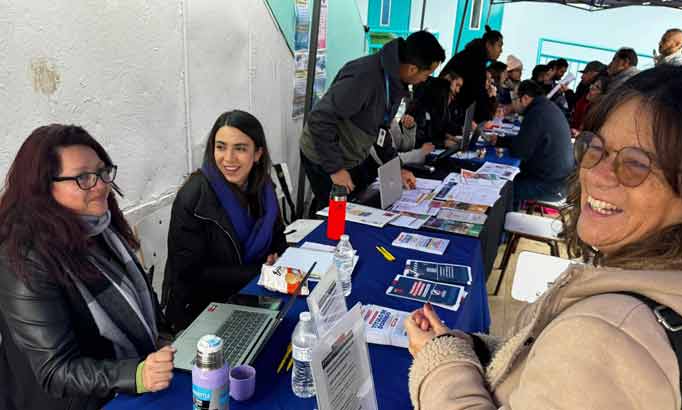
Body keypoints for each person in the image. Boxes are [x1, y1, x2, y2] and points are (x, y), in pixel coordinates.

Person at [405, 64, 682, 409]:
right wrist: (467, 349)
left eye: (636, 163)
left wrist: (440, 362)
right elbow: (550, 376)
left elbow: (586, 363)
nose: (595, 174)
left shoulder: (605, 334)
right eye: (595, 148)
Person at [0, 125, 173, 410]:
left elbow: (143, 303)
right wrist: (137, 374)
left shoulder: (100, 228)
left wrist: (164, 340)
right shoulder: (23, 259)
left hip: (130, 385)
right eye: (83, 177)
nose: (101, 185)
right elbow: (56, 371)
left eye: (103, 172)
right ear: (42, 187)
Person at [163, 110, 288, 331]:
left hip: (253, 293)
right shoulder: (194, 197)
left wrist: (275, 256)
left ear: (257, 153)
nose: (228, 158)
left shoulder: (264, 187)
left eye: (240, 148)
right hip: (203, 310)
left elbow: (278, 234)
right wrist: (259, 270)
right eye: (221, 147)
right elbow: (191, 275)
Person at [300, 30, 444, 209]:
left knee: (359, 206)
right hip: (322, 155)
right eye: (427, 74)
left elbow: (381, 130)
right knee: (335, 215)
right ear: (413, 68)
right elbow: (320, 119)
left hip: (351, 153)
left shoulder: (395, 81)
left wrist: (396, 168)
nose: (425, 80)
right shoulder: (364, 77)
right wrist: (335, 169)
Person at [492, 80, 574, 207]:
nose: (513, 105)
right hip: (557, 180)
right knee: (510, 179)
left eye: (514, 100)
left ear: (524, 99)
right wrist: (500, 140)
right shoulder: (545, 107)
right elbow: (525, 141)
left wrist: (503, 143)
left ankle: (503, 224)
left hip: (550, 185)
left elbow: (520, 151)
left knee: (502, 189)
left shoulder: (537, 113)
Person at [441, 25, 503, 124]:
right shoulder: (474, 60)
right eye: (499, 45)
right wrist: (485, 119)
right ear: (488, 45)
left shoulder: (475, 57)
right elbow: (476, 94)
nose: (501, 51)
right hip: (449, 113)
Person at [407, 72, 463, 149]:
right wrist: (443, 143)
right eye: (447, 96)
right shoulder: (421, 111)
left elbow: (434, 133)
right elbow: (417, 142)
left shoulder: (434, 111)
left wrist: (448, 137)